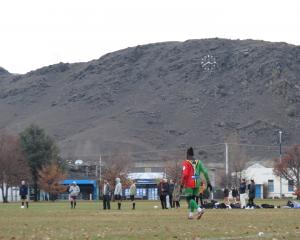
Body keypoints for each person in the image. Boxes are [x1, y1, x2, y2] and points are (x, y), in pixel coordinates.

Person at [181, 147, 212, 220]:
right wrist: (208, 182)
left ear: (187, 154)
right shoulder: (199, 162)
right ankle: (191, 215)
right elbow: (205, 172)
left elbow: (185, 175)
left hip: (189, 183)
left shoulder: (186, 162)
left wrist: (182, 184)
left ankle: (199, 210)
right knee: (193, 200)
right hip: (197, 183)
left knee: (189, 199)